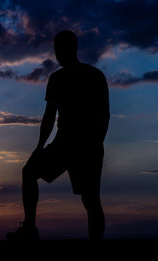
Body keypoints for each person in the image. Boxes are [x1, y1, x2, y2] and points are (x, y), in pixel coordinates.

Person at [6, 30, 110, 240]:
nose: (57, 53)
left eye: (59, 49)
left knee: (91, 199)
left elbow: (50, 117)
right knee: (31, 173)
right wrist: (40, 147)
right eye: (55, 49)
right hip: (71, 145)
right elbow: (51, 117)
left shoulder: (70, 77)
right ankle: (30, 228)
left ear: (70, 49)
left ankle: (31, 229)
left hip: (76, 145)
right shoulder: (85, 75)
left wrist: (95, 144)